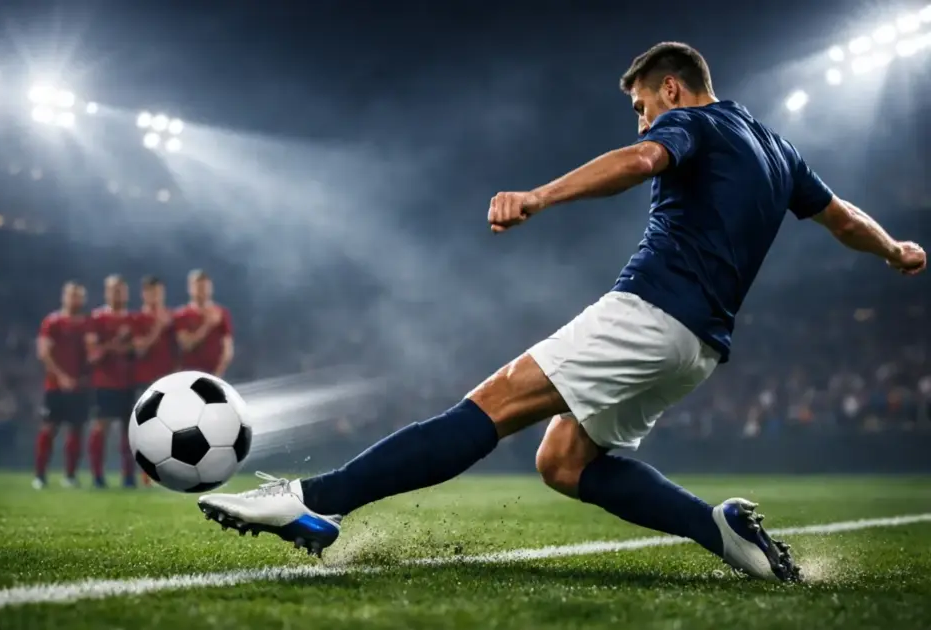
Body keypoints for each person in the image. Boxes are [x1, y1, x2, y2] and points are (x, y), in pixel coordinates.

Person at [197, 42, 927, 580]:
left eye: (643, 108)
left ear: (671, 90)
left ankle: (312, 503)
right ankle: (724, 533)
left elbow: (643, 162)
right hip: (698, 349)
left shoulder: (693, 127)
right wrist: (893, 248)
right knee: (563, 459)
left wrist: (540, 196)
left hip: (652, 310)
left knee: (492, 404)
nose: (643, 124)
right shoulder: (779, 151)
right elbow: (839, 218)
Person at [34, 282, 89, 489]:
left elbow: (90, 353)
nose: (75, 299)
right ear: (63, 297)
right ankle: (40, 476)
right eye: (72, 295)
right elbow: (44, 352)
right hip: (55, 387)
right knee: (48, 428)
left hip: (80, 387)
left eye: (79, 296)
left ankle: (70, 476)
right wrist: (62, 377)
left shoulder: (86, 324)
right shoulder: (52, 322)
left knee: (76, 430)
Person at [86, 275, 137, 488]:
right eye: (113, 290)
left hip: (129, 382)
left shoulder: (134, 319)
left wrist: (117, 347)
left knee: (130, 432)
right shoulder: (96, 318)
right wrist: (118, 342)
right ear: (106, 292)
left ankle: (128, 477)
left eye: (121, 290)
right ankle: (97, 476)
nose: (118, 294)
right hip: (104, 383)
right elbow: (93, 356)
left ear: (126, 293)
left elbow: (138, 349)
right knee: (100, 429)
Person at [130, 275, 177, 486]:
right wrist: (158, 328)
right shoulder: (137, 319)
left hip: (169, 382)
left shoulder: (173, 318)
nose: (154, 296)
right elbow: (139, 349)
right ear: (144, 294)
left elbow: (179, 349)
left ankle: (172, 472)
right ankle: (145, 474)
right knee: (147, 430)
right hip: (145, 382)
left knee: (172, 429)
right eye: (150, 292)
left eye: (158, 292)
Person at [172, 270, 234, 378]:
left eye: (205, 287)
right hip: (189, 377)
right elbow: (187, 345)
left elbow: (227, 349)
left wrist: (217, 374)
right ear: (190, 288)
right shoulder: (181, 314)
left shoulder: (221, 313)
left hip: (215, 376)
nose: (203, 291)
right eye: (199, 287)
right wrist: (207, 325)